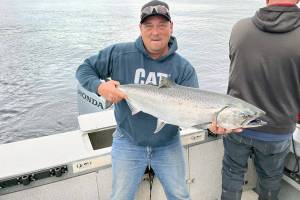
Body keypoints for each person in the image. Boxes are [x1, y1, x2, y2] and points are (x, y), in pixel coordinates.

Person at [76, 1, 198, 199]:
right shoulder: (119, 54)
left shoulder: (183, 68)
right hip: (128, 141)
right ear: (140, 28)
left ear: (171, 27)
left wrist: (212, 123)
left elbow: (193, 110)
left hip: (168, 142)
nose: (155, 32)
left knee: (180, 196)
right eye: (148, 26)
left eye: (161, 25)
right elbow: (84, 69)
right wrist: (100, 87)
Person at [210, 0, 300, 199]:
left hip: (236, 125)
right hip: (277, 130)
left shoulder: (240, 29)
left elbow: (236, 69)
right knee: (270, 181)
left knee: (232, 175)